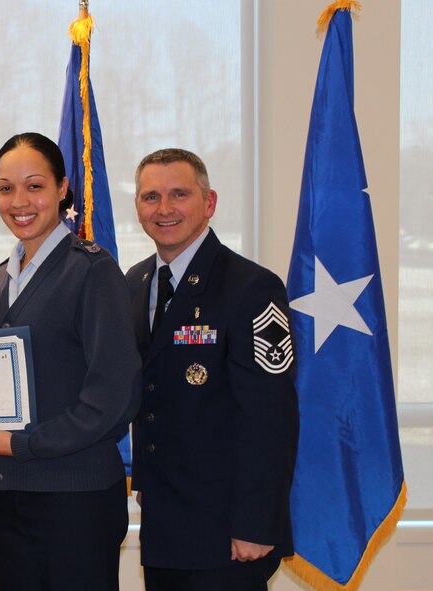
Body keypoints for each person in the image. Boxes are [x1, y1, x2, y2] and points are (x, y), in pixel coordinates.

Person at [0, 132, 142, 591]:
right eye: (6, 188)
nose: (19, 201)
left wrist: (23, 444)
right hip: (8, 495)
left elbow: (113, 398)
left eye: (34, 185)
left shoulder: (92, 270)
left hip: (74, 500)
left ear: (63, 188)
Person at [126, 148, 299, 591]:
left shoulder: (251, 287)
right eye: (150, 197)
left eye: (179, 194)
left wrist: (257, 523)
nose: (164, 209)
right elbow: (150, 392)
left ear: (210, 202)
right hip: (164, 520)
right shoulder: (136, 281)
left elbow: (270, 417)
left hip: (227, 529)